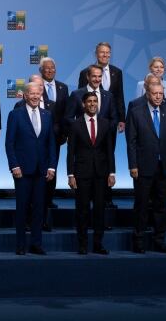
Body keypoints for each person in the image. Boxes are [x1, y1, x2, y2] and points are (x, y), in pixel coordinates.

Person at [126, 82, 166, 253]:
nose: (158, 97)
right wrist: (133, 165)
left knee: (161, 206)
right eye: (155, 94)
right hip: (143, 167)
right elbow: (131, 142)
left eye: (161, 94)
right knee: (141, 205)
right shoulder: (136, 112)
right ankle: (139, 240)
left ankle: (159, 240)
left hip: (163, 166)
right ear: (147, 94)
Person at [5, 82, 57, 255]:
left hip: (42, 170)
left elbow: (51, 143)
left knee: (39, 209)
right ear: (25, 95)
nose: (35, 96)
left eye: (38, 93)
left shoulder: (47, 115)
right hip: (22, 170)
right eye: (32, 93)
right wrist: (14, 166)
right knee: (22, 208)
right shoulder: (15, 115)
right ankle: (20, 245)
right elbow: (9, 143)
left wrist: (52, 167)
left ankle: (36, 244)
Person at [67, 91, 115, 255]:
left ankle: (97, 244)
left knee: (100, 210)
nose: (93, 104)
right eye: (89, 101)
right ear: (83, 104)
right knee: (82, 210)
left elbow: (110, 150)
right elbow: (70, 151)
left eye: (95, 101)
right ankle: (82, 244)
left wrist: (112, 172)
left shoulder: (106, 123)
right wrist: (70, 174)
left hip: (101, 174)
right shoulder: (75, 124)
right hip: (81, 174)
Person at [78, 42, 125, 208]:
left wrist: (121, 119)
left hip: (108, 127)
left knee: (107, 160)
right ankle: (90, 196)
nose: (105, 55)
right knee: (90, 160)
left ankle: (106, 197)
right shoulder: (85, 72)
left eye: (107, 53)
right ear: (96, 54)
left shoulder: (117, 72)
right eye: (102, 52)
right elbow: (80, 100)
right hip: (88, 127)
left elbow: (119, 97)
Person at [39, 57, 69, 210]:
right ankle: (38, 200)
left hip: (56, 136)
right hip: (38, 135)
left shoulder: (63, 88)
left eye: (52, 68)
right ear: (41, 70)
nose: (50, 70)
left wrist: (65, 133)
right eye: (47, 68)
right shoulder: (36, 87)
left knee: (52, 167)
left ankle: (49, 199)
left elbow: (66, 113)